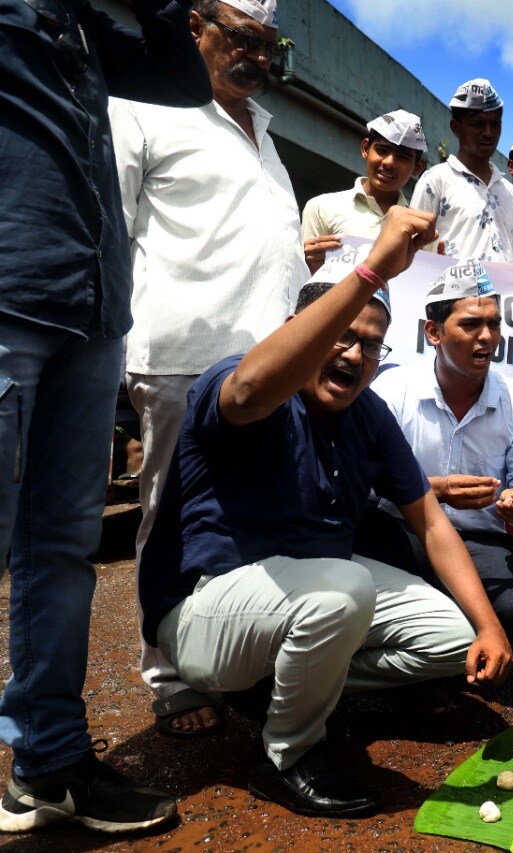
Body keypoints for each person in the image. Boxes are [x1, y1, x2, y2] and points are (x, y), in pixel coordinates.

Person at [136, 207, 513, 818]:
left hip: (311, 599)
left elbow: (431, 521)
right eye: (340, 334)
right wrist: (370, 272)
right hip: (206, 611)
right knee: (344, 585)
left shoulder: (367, 414)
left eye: (371, 344)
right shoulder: (239, 381)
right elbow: (249, 391)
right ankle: (287, 755)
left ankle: (289, 686)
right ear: (301, 328)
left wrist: (490, 627)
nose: (355, 354)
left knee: (451, 636)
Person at [0, 0, 210, 835]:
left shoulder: (87, 21)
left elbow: (183, 79)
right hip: (9, 291)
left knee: (60, 550)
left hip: (91, 311)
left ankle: (48, 763)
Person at [110, 0, 310, 739]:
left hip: (267, 366)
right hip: (181, 361)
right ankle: (167, 675)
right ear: (194, 28)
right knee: (169, 518)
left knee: (252, 517)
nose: (256, 56)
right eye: (241, 38)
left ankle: (239, 658)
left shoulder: (266, 132)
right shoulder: (142, 109)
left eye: (267, 43)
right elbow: (116, 225)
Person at [358, 261, 513, 643]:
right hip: (401, 533)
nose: (487, 337)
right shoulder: (392, 391)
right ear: (433, 332)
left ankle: (436, 619)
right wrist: (434, 491)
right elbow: (362, 483)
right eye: (470, 325)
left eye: (494, 324)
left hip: (480, 542)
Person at [301, 109, 428, 273]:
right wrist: (311, 266)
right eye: (382, 150)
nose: (389, 162)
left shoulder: (420, 229)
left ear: (417, 167)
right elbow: (305, 283)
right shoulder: (320, 208)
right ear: (366, 148)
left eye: (403, 157)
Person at [410, 77, 513, 261]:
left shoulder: (508, 191)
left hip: (505, 292)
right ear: (456, 127)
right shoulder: (435, 181)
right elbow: (412, 252)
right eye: (478, 124)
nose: (488, 133)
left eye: (495, 124)